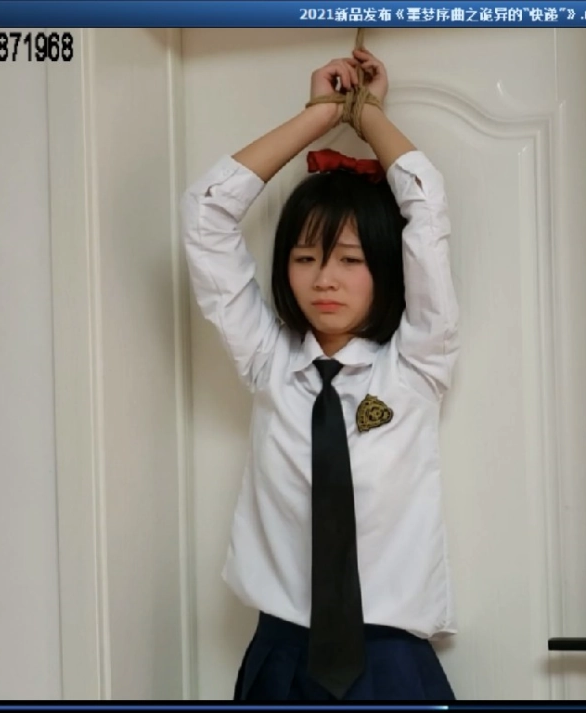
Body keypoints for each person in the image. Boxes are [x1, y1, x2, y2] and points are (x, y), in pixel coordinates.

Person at [180, 47, 460, 701]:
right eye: (305, 257)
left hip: (392, 664)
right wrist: (319, 115)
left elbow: (427, 210)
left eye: (350, 259)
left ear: (384, 268)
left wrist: (368, 117)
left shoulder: (418, 364)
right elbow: (205, 216)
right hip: (280, 659)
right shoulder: (268, 362)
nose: (325, 278)